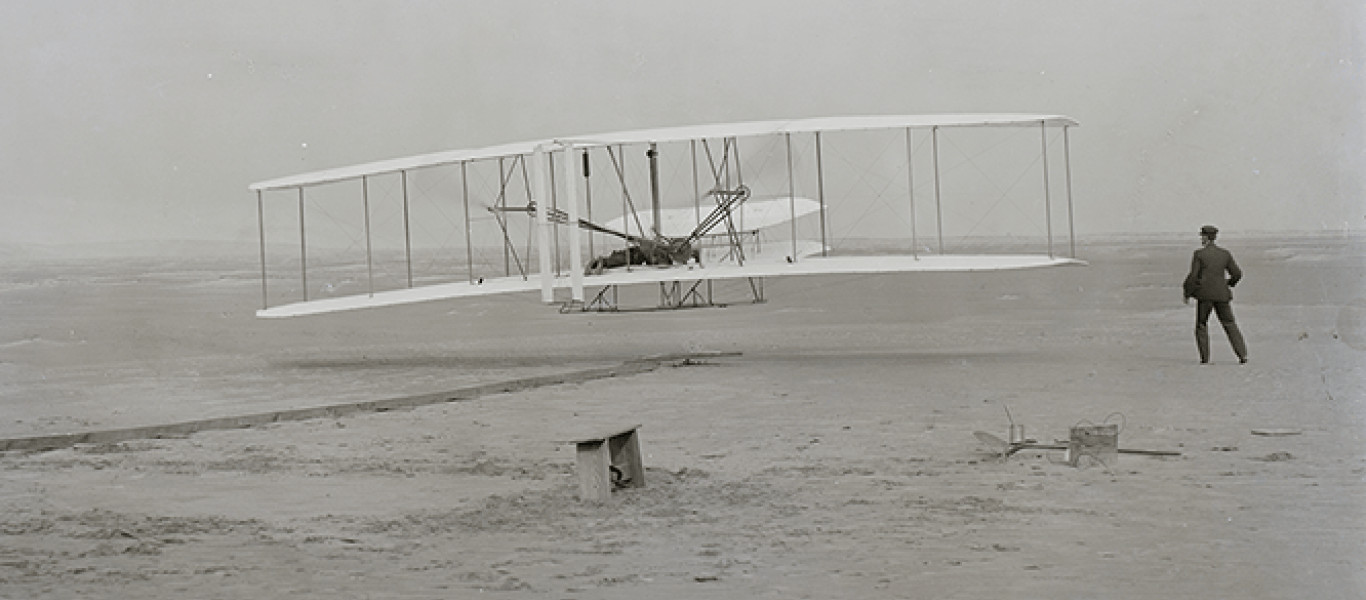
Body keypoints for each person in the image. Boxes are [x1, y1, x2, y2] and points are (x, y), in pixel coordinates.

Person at [1182, 225, 1248, 364]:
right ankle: (1242, 355)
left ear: (1205, 237)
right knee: (1229, 323)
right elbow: (1237, 273)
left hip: (1205, 295)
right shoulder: (1225, 254)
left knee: (1201, 324)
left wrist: (1187, 292)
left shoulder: (1199, 254)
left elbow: (1193, 276)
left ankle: (1205, 358)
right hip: (1222, 294)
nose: (1201, 238)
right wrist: (1228, 283)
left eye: (1202, 236)